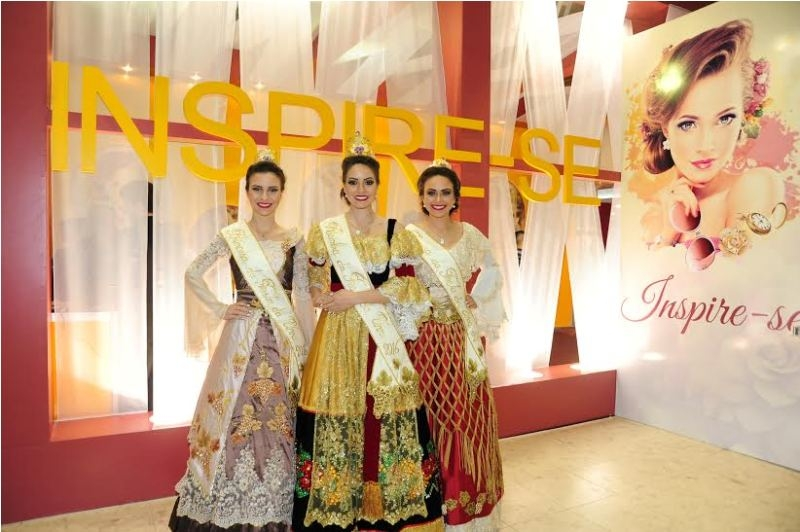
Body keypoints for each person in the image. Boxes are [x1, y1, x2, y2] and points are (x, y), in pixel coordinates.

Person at [292, 133, 444, 532]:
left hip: (381, 337)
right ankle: (337, 503)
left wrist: (354, 296)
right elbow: (314, 277)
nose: (361, 189)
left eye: (368, 182)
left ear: (378, 185)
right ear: (343, 187)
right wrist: (321, 294)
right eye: (353, 182)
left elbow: (409, 286)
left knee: (382, 414)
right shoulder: (325, 231)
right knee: (339, 409)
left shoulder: (395, 230)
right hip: (337, 337)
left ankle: (387, 504)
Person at [169, 150, 314, 531]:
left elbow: (301, 296)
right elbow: (193, 272)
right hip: (240, 339)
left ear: (282, 193)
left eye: (272, 189)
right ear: (247, 191)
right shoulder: (232, 236)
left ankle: (277, 501)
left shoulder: (295, 240)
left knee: (279, 417)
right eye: (257, 189)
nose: (264, 196)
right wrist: (221, 308)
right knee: (233, 413)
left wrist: (309, 347)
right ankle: (225, 499)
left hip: (282, 341)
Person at [634, 19, 787, 269]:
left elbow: (741, 278)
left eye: (725, 119)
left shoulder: (755, 186)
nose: (707, 145)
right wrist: (671, 227)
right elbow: (646, 280)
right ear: (666, 128)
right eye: (688, 124)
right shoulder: (654, 209)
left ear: (743, 116)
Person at [403, 161, 506, 531]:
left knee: (466, 417)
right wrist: (417, 306)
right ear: (421, 197)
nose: (438, 199)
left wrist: (476, 297)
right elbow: (397, 283)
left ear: (455, 197)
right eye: (431, 192)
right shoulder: (408, 236)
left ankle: (466, 504)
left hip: (461, 339)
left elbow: (493, 268)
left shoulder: (471, 234)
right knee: (429, 417)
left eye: (445, 192)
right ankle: (430, 509)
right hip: (423, 340)